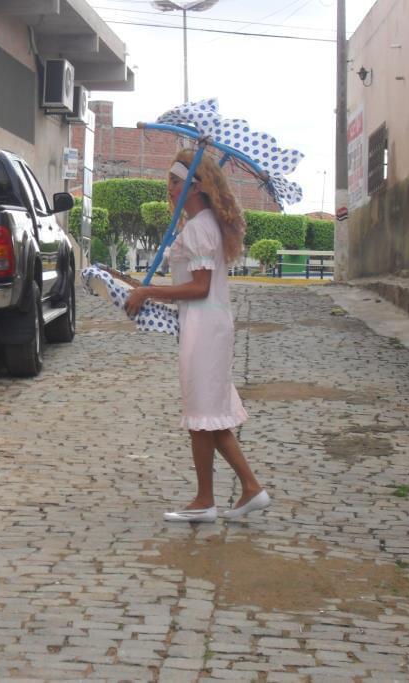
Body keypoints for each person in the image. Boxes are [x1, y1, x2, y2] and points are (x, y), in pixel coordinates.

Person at [125, 150, 269, 523]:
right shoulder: (201, 226)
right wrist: (141, 289)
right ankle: (248, 489)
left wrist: (148, 291)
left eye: (176, 182)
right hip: (206, 326)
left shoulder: (199, 229)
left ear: (194, 186)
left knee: (202, 417)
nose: (169, 189)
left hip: (205, 330)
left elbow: (199, 288)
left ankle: (207, 499)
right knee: (211, 418)